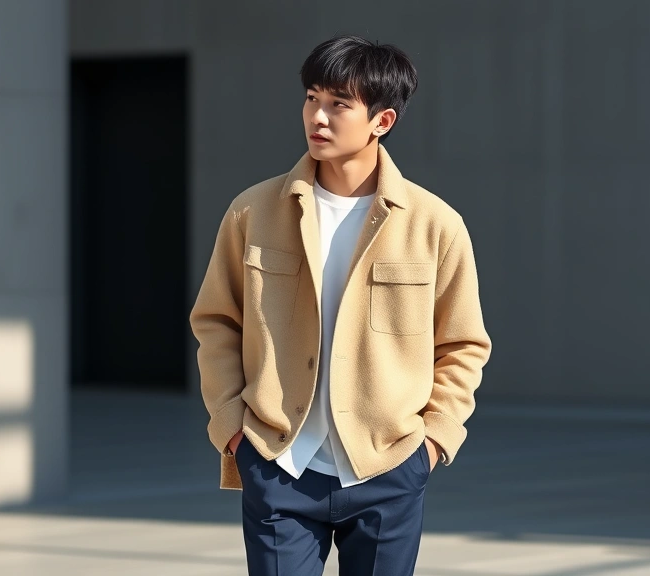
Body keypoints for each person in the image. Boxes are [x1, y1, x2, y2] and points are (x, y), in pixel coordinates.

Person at [190, 35, 491, 576]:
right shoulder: (253, 212)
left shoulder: (434, 225)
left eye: (338, 104)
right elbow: (216, 321)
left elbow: (463, 344)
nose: (318, 117)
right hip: (279, 463)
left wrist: (434, 442)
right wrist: (233, 427)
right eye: (311, 98)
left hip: (388, 467)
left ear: (383, 120)